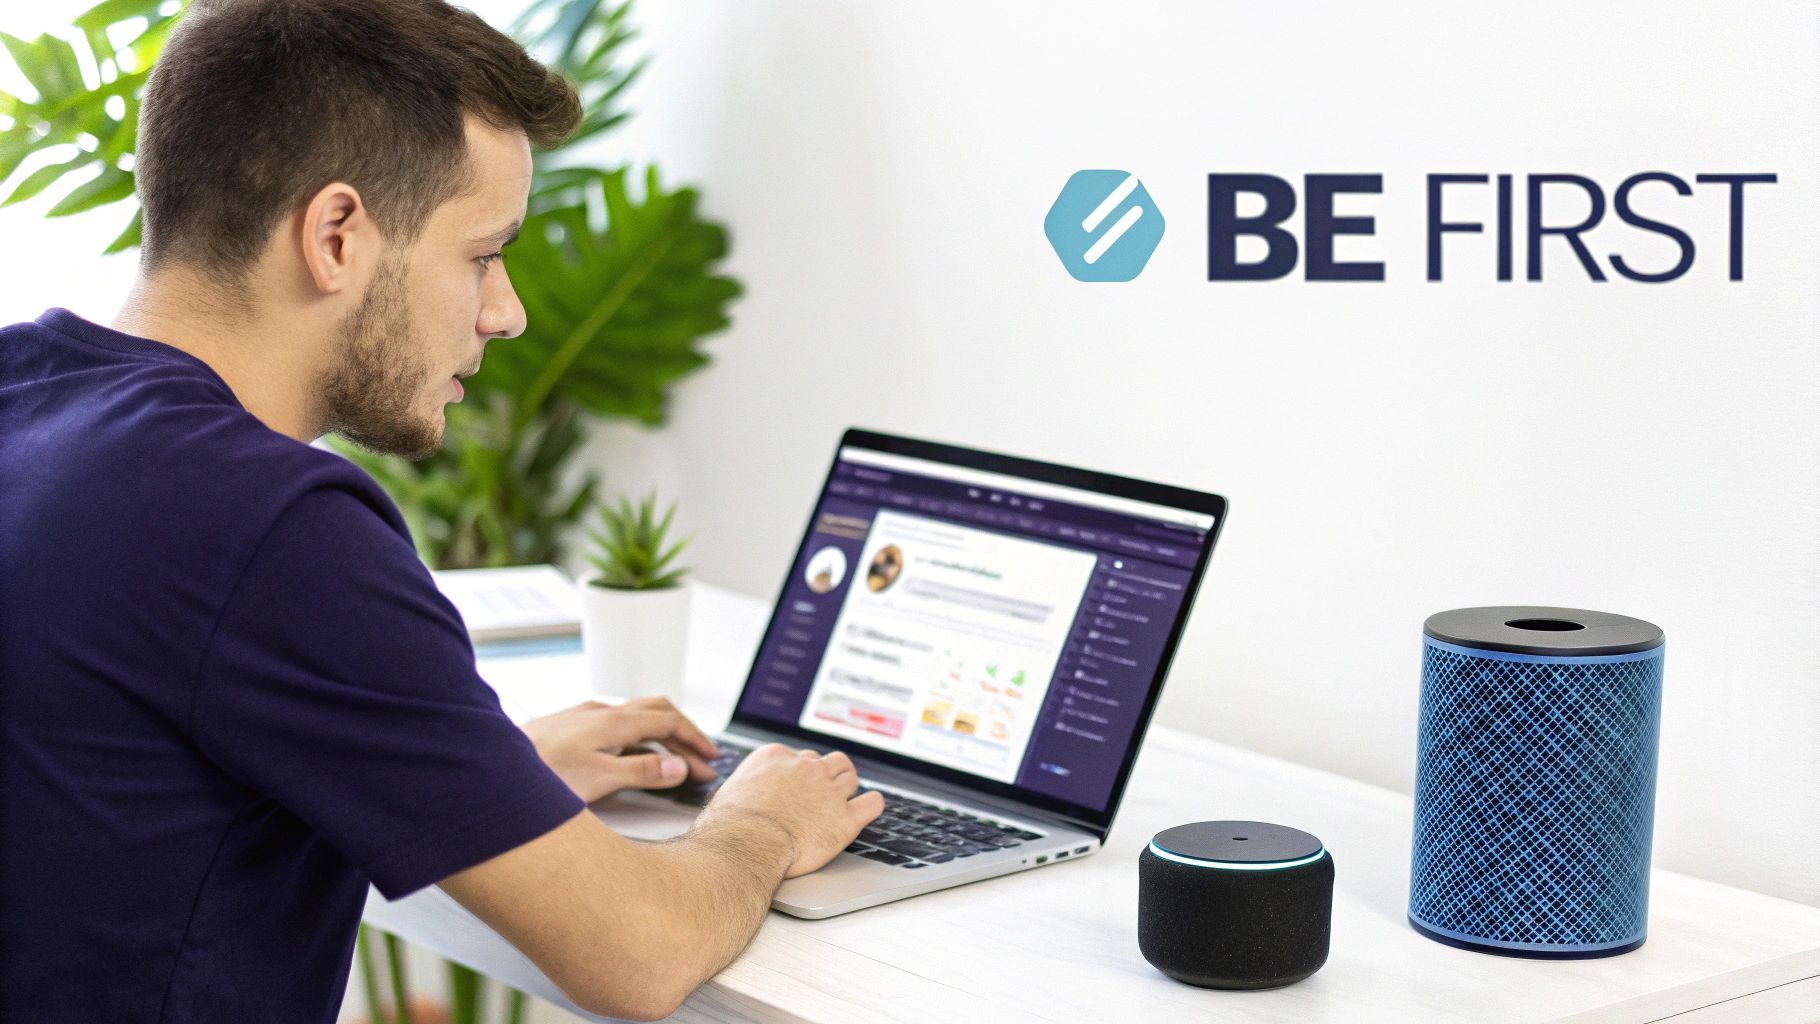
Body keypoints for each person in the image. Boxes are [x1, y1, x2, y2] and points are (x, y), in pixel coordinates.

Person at [0, 1, 882, 1021]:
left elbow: (120, 771)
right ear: (336, 236)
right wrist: (761, 823)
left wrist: (485, 776)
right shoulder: (273, 525)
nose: (504, 310)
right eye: (480, 254)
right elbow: (639, 954)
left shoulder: (24, 394)